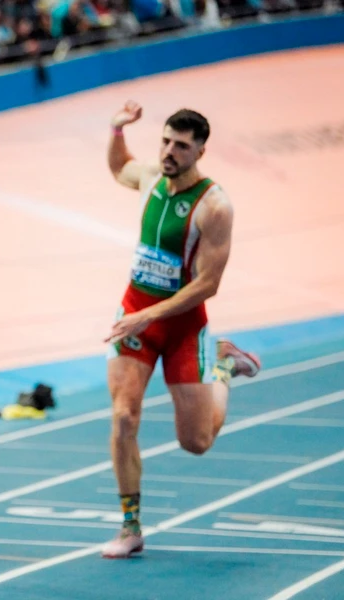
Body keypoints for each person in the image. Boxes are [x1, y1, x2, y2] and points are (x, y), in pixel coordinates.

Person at [102, 101, 262, 558]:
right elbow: (120, 169)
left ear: (200, 152)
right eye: (166, 142)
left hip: (182, 328)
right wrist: (117, 131)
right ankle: (130, 527)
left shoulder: (215, 206)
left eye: (182, 146)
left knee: (195, 442)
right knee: (124, 417)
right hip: (135, 317)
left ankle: (224, 366)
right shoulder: (152, 177)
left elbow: (208, 284)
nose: (170, 151)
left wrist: (151, 315)